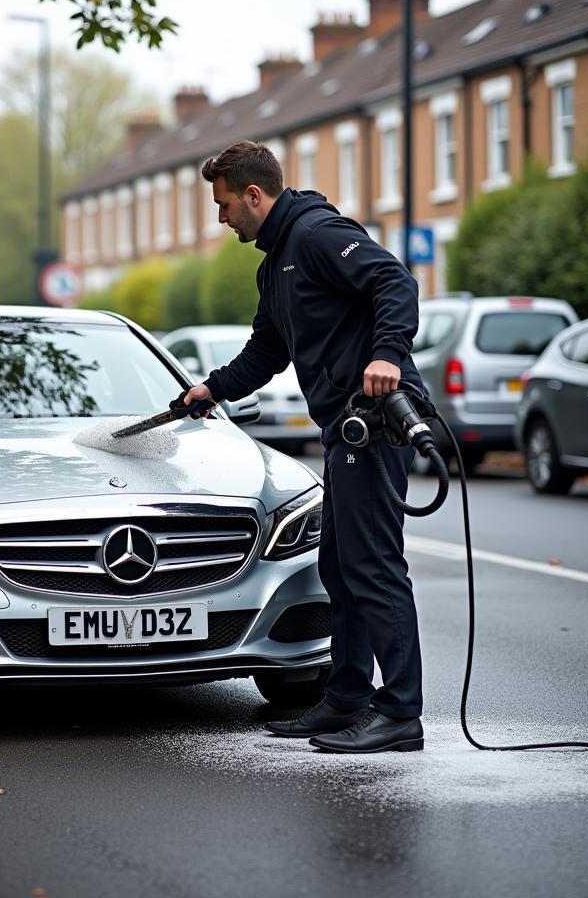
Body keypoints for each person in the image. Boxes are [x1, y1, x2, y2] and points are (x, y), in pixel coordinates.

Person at [183, 140, 426, 754]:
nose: (222, 217)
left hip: (375, 419)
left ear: (254, 195)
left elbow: (395, 282)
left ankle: (400, 714)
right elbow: (268, 349)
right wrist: (212, 389)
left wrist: (386, 355)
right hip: (345, 427)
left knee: (372, 566)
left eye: (225, 204)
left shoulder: (318, 233)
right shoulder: (276, 263)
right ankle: (346, 701)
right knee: (339, 568)